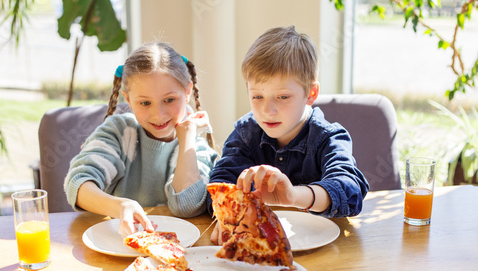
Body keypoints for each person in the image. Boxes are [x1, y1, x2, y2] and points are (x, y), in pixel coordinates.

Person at [209, 26, 369, 244]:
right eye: (257, 96)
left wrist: (294, 196)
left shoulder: (329, 137)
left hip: (325, 249)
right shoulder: (246, 133)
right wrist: (229, 212)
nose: (267, 110)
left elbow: (349, 190)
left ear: (310, 93)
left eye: (283, 97)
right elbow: (221, 181)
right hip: (258, 247)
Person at [64, 42, 218, 237]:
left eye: (169, 100)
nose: (158, 114)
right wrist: (120, 206)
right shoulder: (119, 132)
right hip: (118, 246)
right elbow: (78, 183)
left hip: (175, 253)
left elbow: (186, 206)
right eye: (145, 103)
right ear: (128, 99)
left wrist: (187, 136)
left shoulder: (195, 146)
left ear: (187, 92)